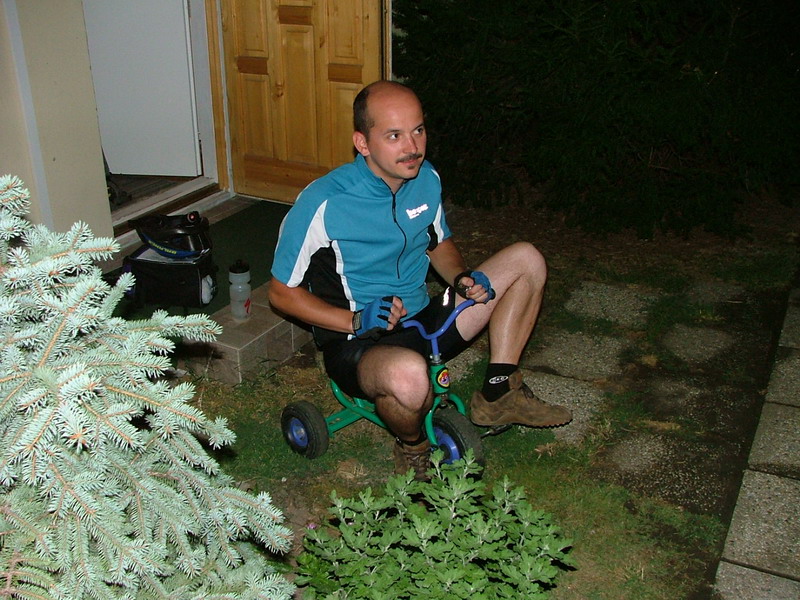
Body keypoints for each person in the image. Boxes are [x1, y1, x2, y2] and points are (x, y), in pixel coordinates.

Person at [269, 80, 571, 480]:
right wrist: (355, 320)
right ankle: (412, 445)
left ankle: (499, 392)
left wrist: (461, 278)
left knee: (527, 260)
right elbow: (280, 293)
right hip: (358, 341)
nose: (412, 146)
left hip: (422, 319)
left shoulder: (426, 179)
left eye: (418, 130)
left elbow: (437, 243)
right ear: (362, 143)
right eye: (394, 135)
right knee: (410, 378)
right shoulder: (323, 202)